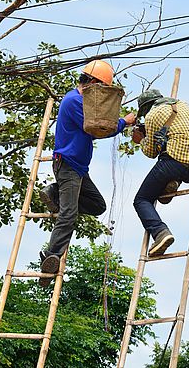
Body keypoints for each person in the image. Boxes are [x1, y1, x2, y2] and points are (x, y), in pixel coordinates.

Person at [38, 59, 136, 287]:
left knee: (97, 205)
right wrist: (124, 122)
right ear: (92, 82)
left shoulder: (82, 102)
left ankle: (55, 194)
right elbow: (95, 128)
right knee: (69, 214)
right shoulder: (74, 101)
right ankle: (51, 255)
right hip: (69, 164)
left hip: (79, 168)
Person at [131, 89, 189, 257]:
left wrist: (141, 139)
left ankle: (160, 233)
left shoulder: (152, 116)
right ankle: (170, 185)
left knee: (141, 200)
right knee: (170, 159)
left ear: (146, 108)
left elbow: (151, 152)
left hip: (175, 164)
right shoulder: (183, 104)